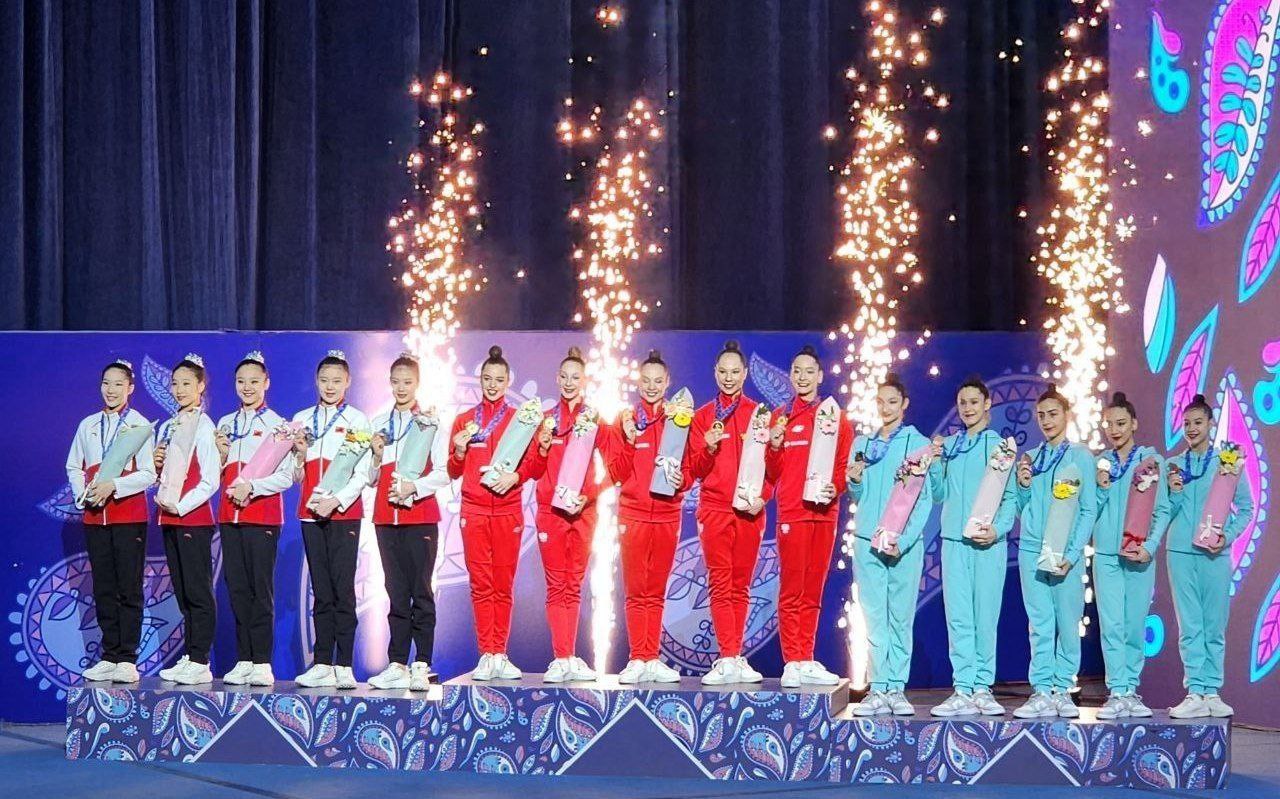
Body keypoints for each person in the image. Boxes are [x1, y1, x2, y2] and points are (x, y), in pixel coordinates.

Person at [446, 345, 543, 681]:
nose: (492, 385)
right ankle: (486, 654)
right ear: (480, 379)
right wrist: (460, 450)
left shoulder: (521, 419)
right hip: (473, 509)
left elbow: (534, 464)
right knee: (481, 584)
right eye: (487, 378)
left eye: (499, 380)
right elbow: (453, 470)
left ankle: (500, 652)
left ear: (507, 381)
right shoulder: (464, 420)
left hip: (507, 509)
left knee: (503, 583)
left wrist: (515, 477)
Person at [1004, 385, 1098, 719]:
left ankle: (1063, 689)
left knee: (1067, 624)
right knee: (1040, 625)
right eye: (1041, 415)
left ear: (1067, 415)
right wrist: (1023, 486)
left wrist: (1072, 555)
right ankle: (1042, 691)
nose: (1046, 420)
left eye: (1053, 414)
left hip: (1065, 556)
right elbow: (1021, 508)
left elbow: (1088, 509)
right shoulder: (1031, 458)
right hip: (1032, 551)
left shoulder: (1081, 457)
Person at [926, 375, 1015, 717]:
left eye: (974, 402)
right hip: (954, 541)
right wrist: (936, 464)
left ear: (987, 404)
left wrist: (998, 529)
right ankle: (962, 688)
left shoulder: (1000, 447)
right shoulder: (949, 447)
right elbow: (938, 495)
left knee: (984, 617)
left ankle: (982, 688)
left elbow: (1009, 499)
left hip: (988, 544)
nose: (967, 408)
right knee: (959, 619)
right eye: (962, 403)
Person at [763, 345, 852, 689]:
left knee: (813, 590)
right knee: (792, 588)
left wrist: (836, 486)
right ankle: (793, 661)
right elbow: (772, 473)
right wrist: (774, 446)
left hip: (825, 515)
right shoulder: (780, 417)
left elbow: (844, 467)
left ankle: (806, 657)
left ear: (820, 376)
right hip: (793, 513)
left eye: (809, 371)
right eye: (797, 371)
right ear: (790, 376)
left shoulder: (836, 418)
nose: (802, 377)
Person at [66, 359, 156, 684]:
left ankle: (127, 658)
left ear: (130, 388)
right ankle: (109, 655)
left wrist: (114, 486)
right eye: (106, 383)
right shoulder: (87, 425)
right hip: (95, 517)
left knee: (128, 588)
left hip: (128, 516)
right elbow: (74, 466)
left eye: (118, 384)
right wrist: (82, 494)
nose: (111, 390)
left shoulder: (140, 425)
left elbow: (148, 473)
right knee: (103, 587)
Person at [848, 373, 933, 716]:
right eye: (881, 402)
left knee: (900, 618)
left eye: (892, 402)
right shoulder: (863, 444)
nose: (885, 408)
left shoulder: (918, 444)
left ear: (905, 404)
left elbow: (924, 501)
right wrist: (854, 480)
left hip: (903, 547)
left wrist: (905, 540)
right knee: (873, 619)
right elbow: (858, 495)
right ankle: (878, 687)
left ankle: (896, 688)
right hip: (867, 541)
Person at [686, 340, 770, 685]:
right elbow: (694, 469)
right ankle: (727, 657)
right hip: (715, 509)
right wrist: (707, 447)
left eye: (735, 372)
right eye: (723, 371)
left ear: (745, 374)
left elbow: (772, 465)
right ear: (715, 373)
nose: (729, 378)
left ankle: (736, 656)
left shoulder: (759, 414)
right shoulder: (702, 416)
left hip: (749, 511)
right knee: (720, 583)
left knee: (741, 585)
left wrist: (764, 496)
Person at [366, 352, 451, 692]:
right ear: (389, 383)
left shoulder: (429, 423)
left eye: (408, 382)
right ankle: (397, 662)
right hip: (386, 519)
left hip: (420, 518)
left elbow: (444, 472)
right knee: (395, 592)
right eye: (396, 382)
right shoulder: (377, 423)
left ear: (417, 384)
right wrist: (375, 457)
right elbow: (370, 478)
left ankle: (422, 663)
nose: (401, 388)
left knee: (421, 592)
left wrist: (414, 488)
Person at [604, 349, 690, 684]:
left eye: (658, 381)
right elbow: (616, 472)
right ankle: (637, 658)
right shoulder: (625, 420)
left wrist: (682, 480)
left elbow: (690, 467)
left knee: (656, 590)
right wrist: (629, 441)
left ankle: (651, 657)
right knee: (636, 589)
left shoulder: (679, 418)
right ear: (638, 383)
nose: (652, 387)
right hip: (633, 513)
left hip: (667, 513)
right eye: (646, 381)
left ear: (667, 383)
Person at [1165, 394, 1252, 718]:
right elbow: (1165, 510)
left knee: (1214, 625)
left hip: (1215, 555)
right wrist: (1173, 491)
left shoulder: (1227, 462)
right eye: (1186, 423)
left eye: (1198, 422)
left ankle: (1212, 691)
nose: (1191, 428)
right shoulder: (1173, 465)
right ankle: (1195, 692)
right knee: (1190, 625)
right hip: (1180, 553)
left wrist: (1226, 536)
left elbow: (1246, 509)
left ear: (1210, 424)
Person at [291, 350, 372, 690]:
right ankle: (322, 662)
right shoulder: (301, 419)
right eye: (324, 380)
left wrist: (336, 501)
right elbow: (295, 475)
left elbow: (362, 472)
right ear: (316, 381)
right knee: (321, 591)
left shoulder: (357, 420)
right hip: (310, 514)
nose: (330, 386)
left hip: (343, 515)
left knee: (342, 590)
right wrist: (298, 456)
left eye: (337, 380)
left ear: (348, 382)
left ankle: (345, 665)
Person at [215, 351, 294, 687]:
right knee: (237, 588)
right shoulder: (224, 423)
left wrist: (253, 487)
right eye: (241, 381)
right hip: (229, 516)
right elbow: (214, 474)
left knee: (260, 590)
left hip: (262, 516)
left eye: (254, 381)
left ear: (266, 383)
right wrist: (219, 455)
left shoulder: (279, 425)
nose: (247, 387)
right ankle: (244, 659)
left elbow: (287, 477)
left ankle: (262, 661)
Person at [1091, 391, 1170, 719]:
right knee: (1111, 626)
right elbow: (1090, 510)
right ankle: (1117, 691)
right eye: (1109, 424)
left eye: (1121, 423)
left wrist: (1150, 547)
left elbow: (1162, 510)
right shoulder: (1100, 464)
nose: (1115, 430)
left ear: (1134, 424)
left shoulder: (1151, 462)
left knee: (1134, 626)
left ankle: (1131, 691)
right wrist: (1100, 488)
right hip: (1106, 556)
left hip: (1139, 556)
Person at [526, 347, 601, 683]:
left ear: (584, 381)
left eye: (576, 377)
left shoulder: (595, 419)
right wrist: (542, 447)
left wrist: (590, 494)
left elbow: (618, 466)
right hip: (551, 514)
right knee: (557, 585)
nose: (570, 383)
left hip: (584, 514)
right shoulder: (544, 420)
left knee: (574, 585)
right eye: (565, 377)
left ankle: (570, 657)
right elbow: (531, 469)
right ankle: (561, 658)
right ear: (557, 380)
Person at [153, 354, 221, 686]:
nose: (180, 390)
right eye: (175, 384)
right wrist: (155, 466)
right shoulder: (168, 426)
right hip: (169, 518)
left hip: (193, 519)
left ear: (201, 386)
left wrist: (181, 506)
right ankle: (191, 656)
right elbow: (163, 477)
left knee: (198, 591)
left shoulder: (205, 426)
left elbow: (211, 480)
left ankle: (200, 660)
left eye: (187, 384)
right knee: (182, 592)